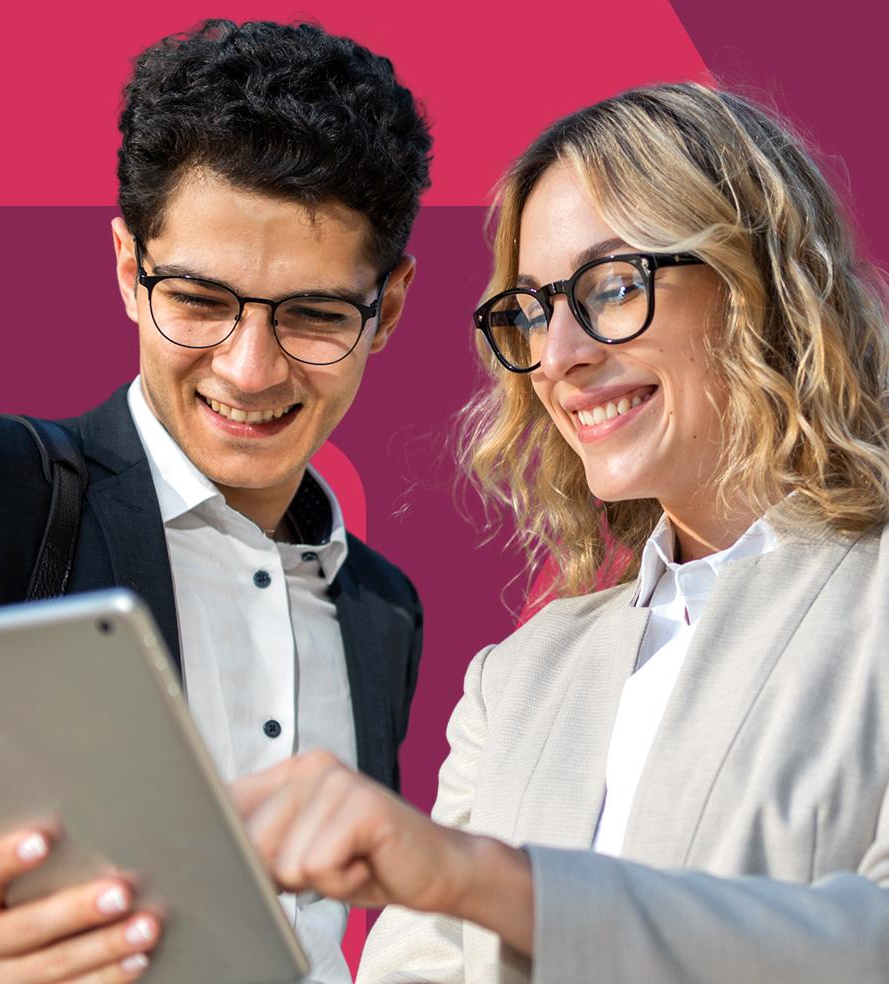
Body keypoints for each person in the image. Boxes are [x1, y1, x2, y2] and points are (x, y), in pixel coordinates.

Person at [230, 83, 889, 983]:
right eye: (534, 310)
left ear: (754, 287)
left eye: (613, 287)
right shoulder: (521, 679)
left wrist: (491, 883)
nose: (557, 355)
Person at [0, 19, 430, 984]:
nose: (249, 371)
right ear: (129, 269)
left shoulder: (384, 612)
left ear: (391, 310)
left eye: (315, 315)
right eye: (199, 301)